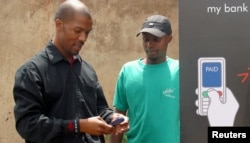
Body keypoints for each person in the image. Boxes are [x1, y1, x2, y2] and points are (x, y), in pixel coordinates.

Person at [13, 1, 129, 143]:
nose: (83, 38)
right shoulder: (32, 71)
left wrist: (113, 118)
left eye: (87, 33)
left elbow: (100, 108)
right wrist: (77, 126)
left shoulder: (88, 70)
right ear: (59, 25)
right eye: (78, 31)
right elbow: (28, 125)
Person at [111, 15, 180, 143]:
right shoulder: (128, 71)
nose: (150, 44)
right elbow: (119, 116)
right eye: (146, 39)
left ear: (169, 39)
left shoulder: (179, 70)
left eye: (156, 39)